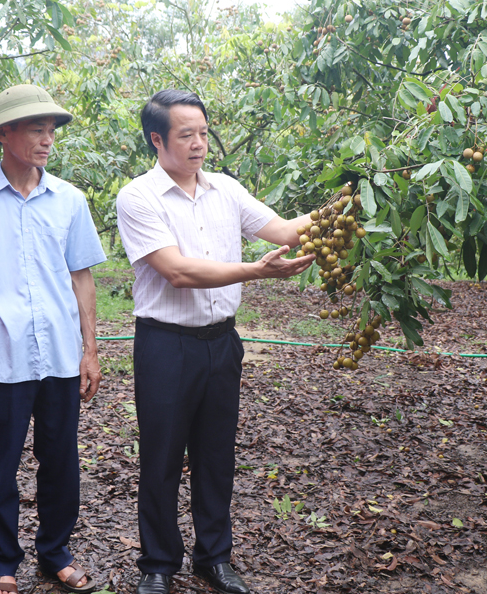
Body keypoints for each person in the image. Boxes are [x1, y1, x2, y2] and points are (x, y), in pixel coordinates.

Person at [116, 89, 315, 594]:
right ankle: (158, 564)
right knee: (161, 457)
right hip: (165, 345)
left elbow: (283, 230)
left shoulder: (226, 189)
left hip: (222, 343)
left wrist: (351, 203)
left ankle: (214, 557)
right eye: (186, 135)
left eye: (203, 133)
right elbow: (177, 271)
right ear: (157, 139)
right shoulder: (138, 197)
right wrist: (254, 271)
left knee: (216, 455)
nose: (199, 143)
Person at [0, 85, 106, 594]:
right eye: (36, 129)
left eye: (51, 130)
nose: (47, 139)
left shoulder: (69, 200)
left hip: (60, 357)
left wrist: (91, 351)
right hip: (1, 358)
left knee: (61, 463)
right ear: (3, 134)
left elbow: (82, 278)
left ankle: (56, 553)